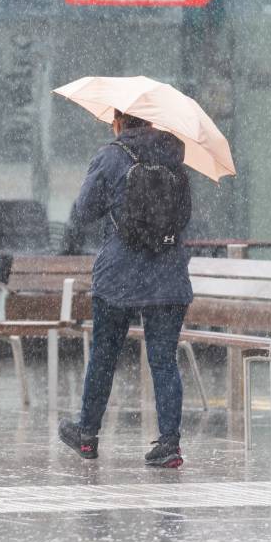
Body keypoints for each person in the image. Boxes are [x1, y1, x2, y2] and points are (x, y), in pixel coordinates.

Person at [58, 110, 193, 468]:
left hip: (119, 273)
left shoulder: (110, 156)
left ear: (119, 122)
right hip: (168, 274)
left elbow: (84, 211)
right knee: (164, 360)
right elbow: (183, 217)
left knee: (104, 355)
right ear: (151, 122)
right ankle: (169, 444)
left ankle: (87, 436)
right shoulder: (175, 157)